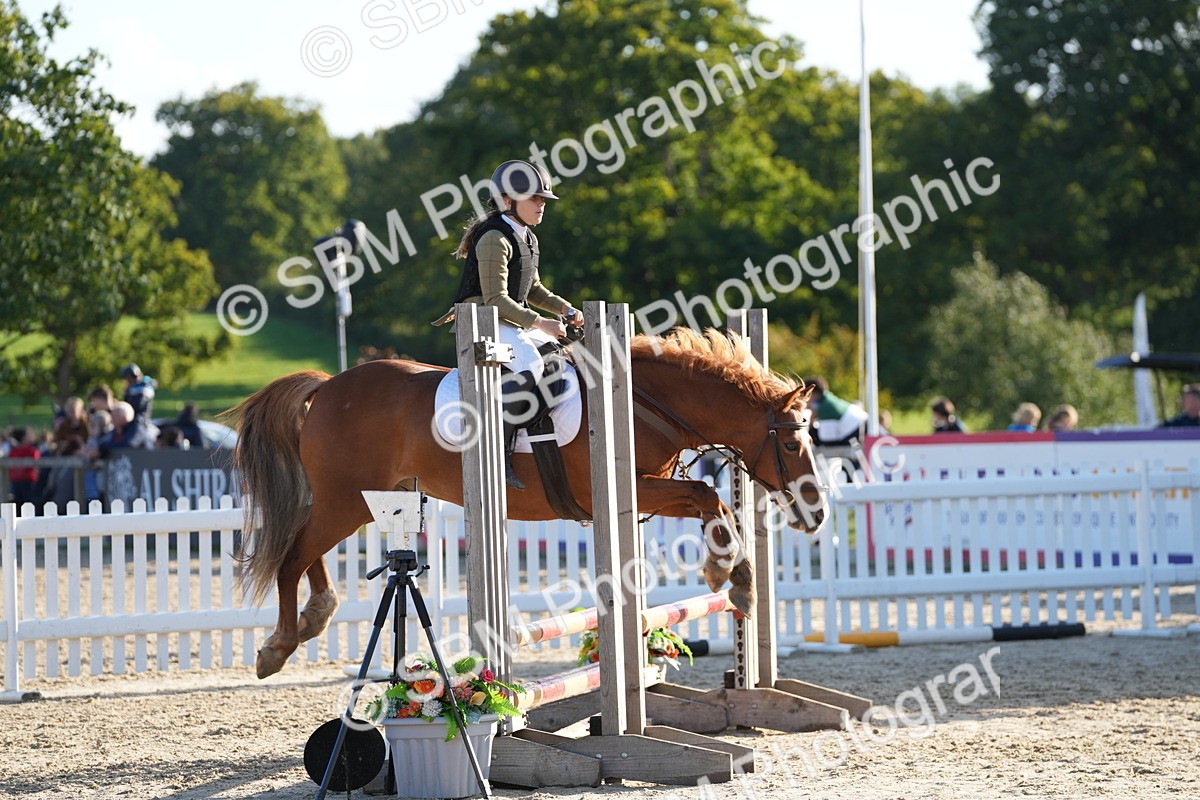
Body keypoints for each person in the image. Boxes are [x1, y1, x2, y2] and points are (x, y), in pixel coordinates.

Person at [437, 159, 585, 490]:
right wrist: (541, 323)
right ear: (507, 201)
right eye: (534, 198)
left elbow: (531, 289)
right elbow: (496, 300)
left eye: (543, 199)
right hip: (481, 320)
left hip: (506, 317)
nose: (541, 205)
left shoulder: (528, 238)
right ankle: (495, 451)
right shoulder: (494, 238)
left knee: (559, 361)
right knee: (532, 366)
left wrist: (564, 308)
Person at [804, 377, 869, 446]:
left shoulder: (825, 408)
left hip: (858, 430)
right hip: (861, 426)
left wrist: (811, 424)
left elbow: (826, 441)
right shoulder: (827, 400)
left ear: (813, 394)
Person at [7, 427, 41, 505]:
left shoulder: (15, 451)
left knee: (27, 504)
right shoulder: (27, 450)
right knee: (22, 504)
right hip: (22, 481)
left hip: (26, 481)